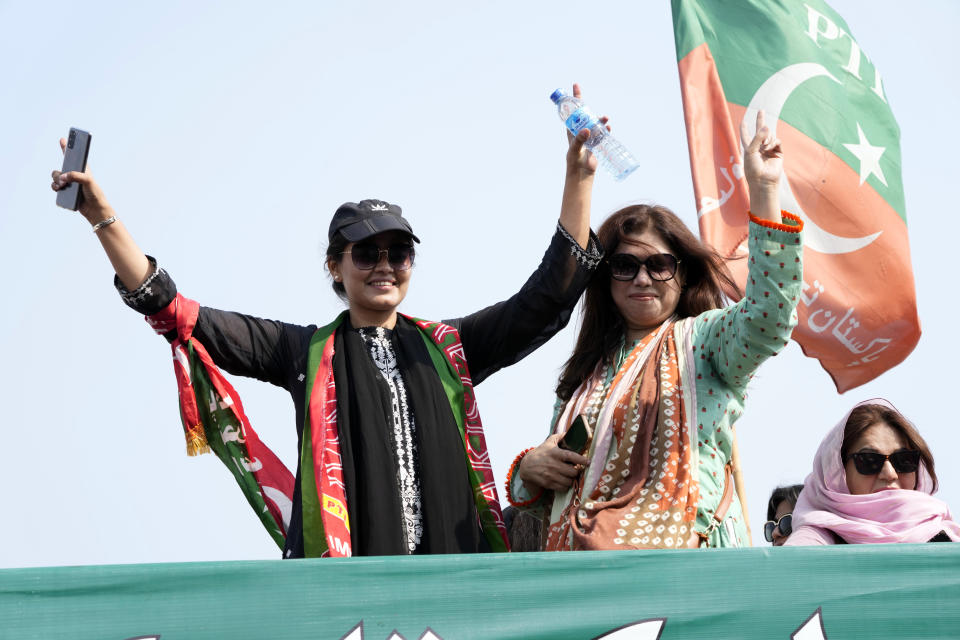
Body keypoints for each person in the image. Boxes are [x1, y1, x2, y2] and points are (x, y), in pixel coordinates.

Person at [50, 86, 605, 558]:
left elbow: (544, 300)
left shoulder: (449, 348)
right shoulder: (303, 353)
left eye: (398, 253)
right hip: (351, 597)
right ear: (335, 268)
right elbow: (175, 310)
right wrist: (102, 217)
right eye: (366, 254)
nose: (384, 266)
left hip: (454, 590)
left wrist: (577, 178)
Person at [505, 111, 804, 549]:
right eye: (625, 266)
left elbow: (768, 317)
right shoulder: (584, 377)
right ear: (605, 280)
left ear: (682, 275)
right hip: (586, 579)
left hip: (689, 569)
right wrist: (527, 470)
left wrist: (764, 190)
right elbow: (543, 494)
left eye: (659, 265)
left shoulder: (705, 341)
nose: (642, 279)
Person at [785, 399, 960, 545]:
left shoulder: (947, 539)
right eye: (869, 460)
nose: (890, 473)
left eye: (904, 460)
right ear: (837, 472)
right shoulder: (815, 540)